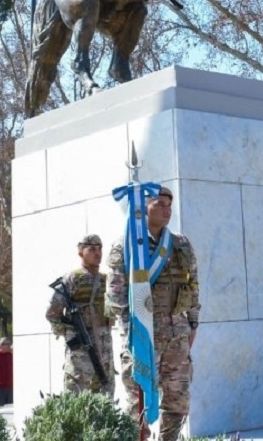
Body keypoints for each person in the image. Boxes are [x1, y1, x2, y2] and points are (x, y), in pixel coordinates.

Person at [106, 187, 200, 441]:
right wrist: (129, 330)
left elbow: (192, 284)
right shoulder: (126, 245)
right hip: (143, 334)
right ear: (142, 209)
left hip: (177, 334)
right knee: (137, 399)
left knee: (178, 398)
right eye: (159, 204)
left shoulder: (181, 244)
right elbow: (116, 293)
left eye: (169, 205)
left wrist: (193, 324)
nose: (166, 210)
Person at [45, 234, 114, 395]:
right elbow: (52, 314)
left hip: (105, 348)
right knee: (77, 396)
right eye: (92, 249)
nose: (98, 253)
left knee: (106, 396)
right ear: (81, 253)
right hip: (81, 352)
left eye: (100, 249)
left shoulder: (108, 280)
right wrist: (71, 334)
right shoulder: (71, 279)